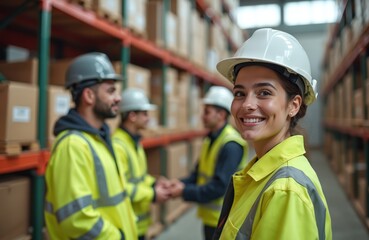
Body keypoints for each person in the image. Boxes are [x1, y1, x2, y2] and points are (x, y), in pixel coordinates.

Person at [213, 28, 332, 239]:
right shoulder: (262, 172)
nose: (247, 104)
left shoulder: (285, 191)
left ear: (293, 105)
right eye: (240, 93)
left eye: (264, 93)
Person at [44, 52, 138, 239]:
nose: (119, 98)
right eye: (111, 91)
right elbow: (76, 219)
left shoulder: (100, 140)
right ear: (88, 96)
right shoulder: (73, 146)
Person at [168, 86, 249, 240]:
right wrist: (177, 184)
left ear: (221, 114)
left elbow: (219, 187)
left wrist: (184, 191)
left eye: (207, 112)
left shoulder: (231, 145)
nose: (202, 116)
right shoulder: (210, 139)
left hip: (225, 219)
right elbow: (198, 175)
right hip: (211, 218)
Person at [112, 87, 170, 240]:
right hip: (127, 225)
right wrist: (153, 194)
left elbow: (139, 177)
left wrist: (155, 182)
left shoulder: (134, 141)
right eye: (144, 114)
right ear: (132, 116)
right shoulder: (118, 146)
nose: (148, 118)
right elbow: (120, 187)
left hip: (139, 224)